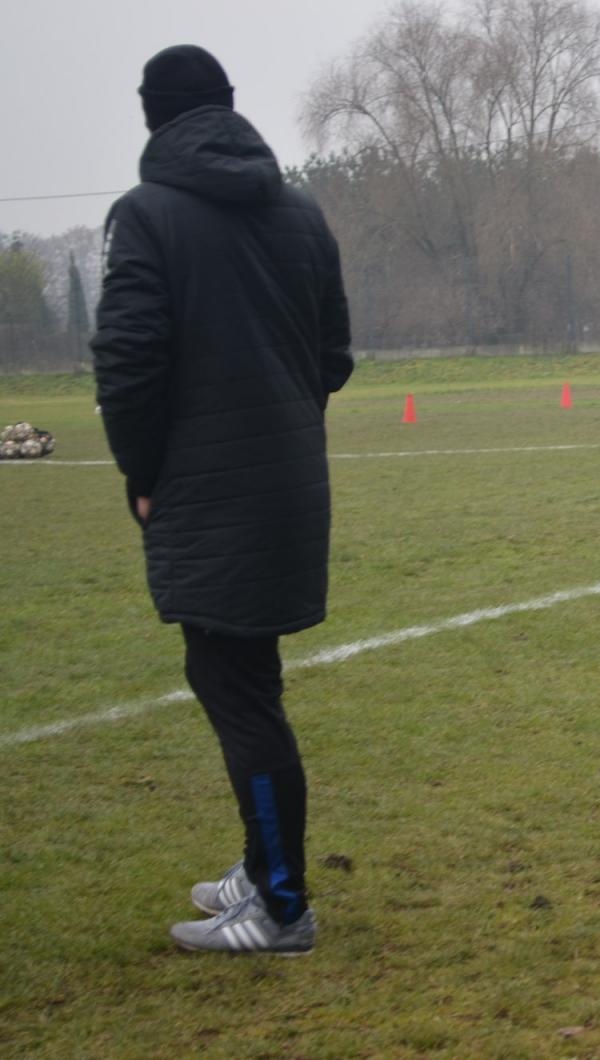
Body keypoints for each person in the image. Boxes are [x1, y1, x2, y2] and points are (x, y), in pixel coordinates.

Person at [92, 44, 354, 954]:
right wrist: (283, 431)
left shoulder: (145, 214)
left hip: (206, 492)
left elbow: (128, 363)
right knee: (247, 681)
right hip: (288, 487)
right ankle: (261, 864)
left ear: (152, 115)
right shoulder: (302, 212)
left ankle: (282, 907)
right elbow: (333, 357)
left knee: (239, 695)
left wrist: (144, 475)